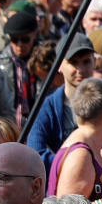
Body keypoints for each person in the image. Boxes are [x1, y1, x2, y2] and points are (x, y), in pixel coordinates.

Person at [25, 33, 97, 172]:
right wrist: (83, 160)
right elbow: (35, 153)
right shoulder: (46, 107)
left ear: (94, 62)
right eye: (73, 62)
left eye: (86, 61)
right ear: (59, 65)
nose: (80, 69)